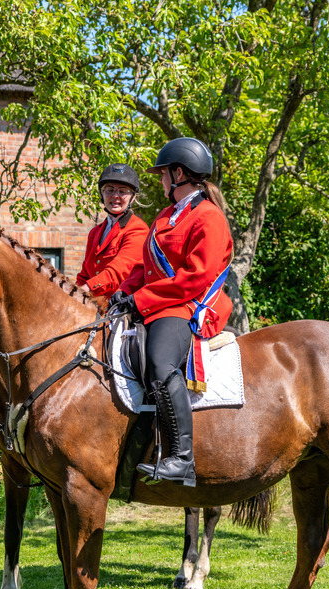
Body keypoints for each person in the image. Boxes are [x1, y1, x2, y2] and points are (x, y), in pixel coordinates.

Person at [110, 138, 234, 487]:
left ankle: (182, 458)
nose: (161, 180)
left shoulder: (209, 217)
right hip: (159, 301)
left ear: (178, 174)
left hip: (188, 305)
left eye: (163, 174)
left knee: (161, 363)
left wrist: (142, 299)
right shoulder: (166, 216)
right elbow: (145, 265)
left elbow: (195, 278)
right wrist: (125, 290)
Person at [75, 163, 149, 298]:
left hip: (120, 307)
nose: (115, 196)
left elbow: (117, 272)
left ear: (133, 197)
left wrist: (84, 291)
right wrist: (73, 292)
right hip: (92, 305)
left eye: (122, 191)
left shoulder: (138, 229)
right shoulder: (95, 232)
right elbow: (84, 274)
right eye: (109, 190)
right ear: (102, 193)